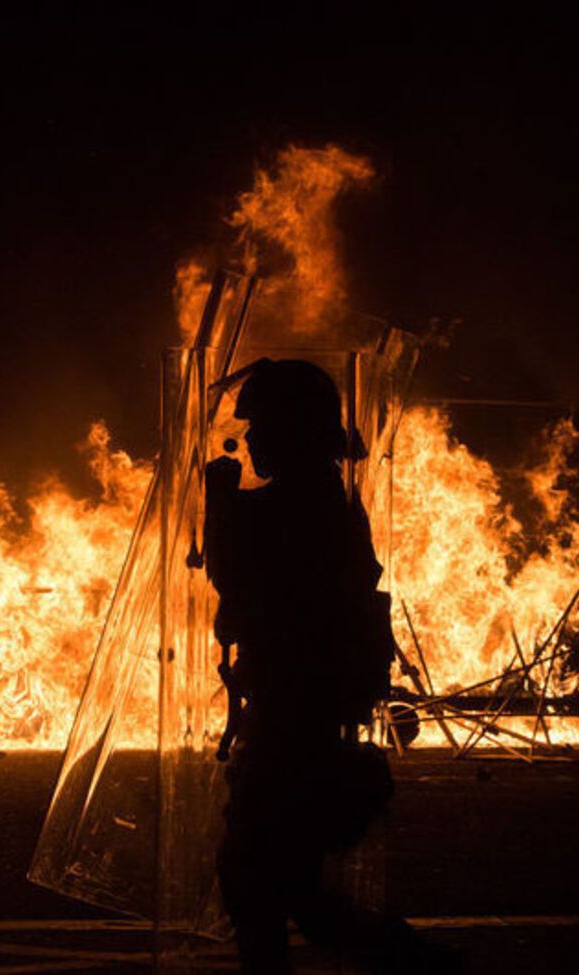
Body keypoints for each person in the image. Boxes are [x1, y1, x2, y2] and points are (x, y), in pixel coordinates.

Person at [203, 358, 459, 974]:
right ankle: (416, 962)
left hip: (298, 717)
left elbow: (243, 576)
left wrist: (219, 501)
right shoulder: (317, 499)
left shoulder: (308, 506)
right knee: (288, 890)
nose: (254, 438)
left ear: (293, 430)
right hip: (294, 711)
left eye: (262, 425)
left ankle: (418, 963)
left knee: (258, 878)